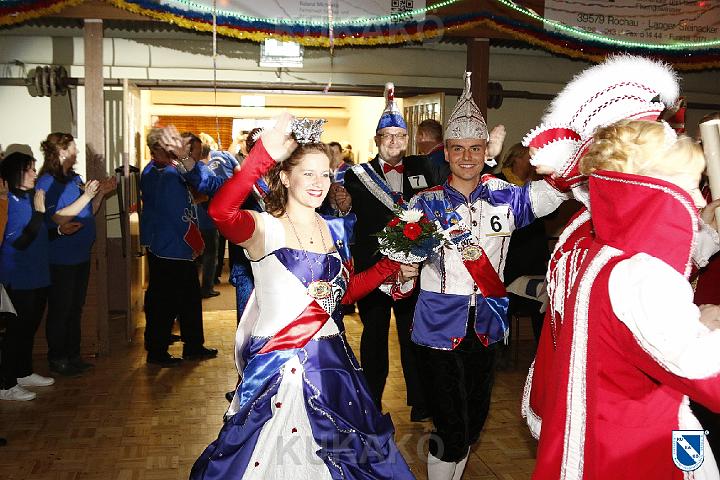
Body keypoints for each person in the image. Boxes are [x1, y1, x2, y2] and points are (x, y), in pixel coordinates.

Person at [190, 113, 418, 479]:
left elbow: (343, 295)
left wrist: (389, 267)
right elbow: (220, 211)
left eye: (325, 174)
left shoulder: (335, 230)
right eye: (308, 173)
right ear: (284, 176)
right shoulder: (265, 228)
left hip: (335, 367)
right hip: (282, 371)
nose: (319, 183)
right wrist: (261, 157)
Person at [519, 54, 706, 439]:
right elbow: (698, 368)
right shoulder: (629, 258)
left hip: (584, 413)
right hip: (623, 425)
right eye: (686, 184)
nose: (697, 200)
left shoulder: (582, 233)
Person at [532, 119, 720, 479]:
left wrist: (693, 322)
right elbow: (707, 375)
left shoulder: (598, 249)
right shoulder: (644, 273)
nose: (698, 200)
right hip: (636, 446)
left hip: (599, 433)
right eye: (690, 186)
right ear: (652, 187)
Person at [407, 72, 567, 480]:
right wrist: (404, 271)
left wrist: (563, 155)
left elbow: (555, 193)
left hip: (487, 324)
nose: (466, 157)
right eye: (458, 148)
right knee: (451, 426)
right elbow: (399, 266)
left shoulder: (508, 196)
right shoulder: (424, 204)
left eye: (475, 148)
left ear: (485, 151)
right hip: (437, 325)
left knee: (473, 424)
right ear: (446, 152)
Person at [338, 82, 434, 422]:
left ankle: (421, 401)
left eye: (399, 136)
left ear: (407, 140)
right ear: (377, 140)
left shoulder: (423, 168)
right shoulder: (356, 175)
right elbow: (343, 214)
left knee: (413, 336)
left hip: (413, 269)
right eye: (387, 136)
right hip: (374, 269)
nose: (393, 142)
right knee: (374, 337)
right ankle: (371, 401)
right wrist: (342, 205)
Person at [37, 133, 116, 376]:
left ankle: (73, 355)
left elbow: (89, 210)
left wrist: (100, 194)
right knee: (61, 309)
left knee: (75, 308)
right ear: (61, 152)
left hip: (80, 255)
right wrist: (87, 195)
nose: (77, 152)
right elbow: (56, 218)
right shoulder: (47, 182)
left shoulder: (74, 179)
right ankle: (58, 358)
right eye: (73, 148)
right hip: (61, 257)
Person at [139, 127, 218, 367]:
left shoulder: (166, 171)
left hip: (171, 246)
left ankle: (190, 345)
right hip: (172, 247)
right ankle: (159, 350)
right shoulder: (167, 175)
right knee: (166, 302)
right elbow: (178, 216)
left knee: (186, 299)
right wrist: (196, 242)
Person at [0, 152, 54, 400]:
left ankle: (23, 372)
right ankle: (6, 384)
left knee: (29, 328)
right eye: (29, 169)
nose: (34, 173)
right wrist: (39, 213)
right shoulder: (9, 202)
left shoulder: (30, 198)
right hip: (18, 277)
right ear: (15, 173)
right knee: (16, 331)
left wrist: (58, 230)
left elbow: (41, 234)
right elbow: (20, 242)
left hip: (37, 274)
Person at [497, 143, 550, 342]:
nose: (533, 162)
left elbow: (552, 214)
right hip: (509, 258)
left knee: (541, 303)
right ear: (516, 158)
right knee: (504, 306)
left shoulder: (536, 184)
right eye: (529, 157)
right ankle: (501, 349)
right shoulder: (498, 182)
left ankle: (540, 350)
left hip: (534, 258)